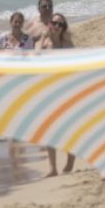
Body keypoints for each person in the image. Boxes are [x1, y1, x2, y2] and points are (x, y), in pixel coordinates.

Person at [37, 12, 75, 176]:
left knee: (67, 128)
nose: (57, 26)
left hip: (66, 90)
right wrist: (43, 38)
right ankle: (53, 168)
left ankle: (70, 158)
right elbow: (35, 60)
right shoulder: (45, 44)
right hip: (49, 91)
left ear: (64, 27)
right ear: (50, 24)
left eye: (60, 24)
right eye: (54, 23)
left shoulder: (68, 44)